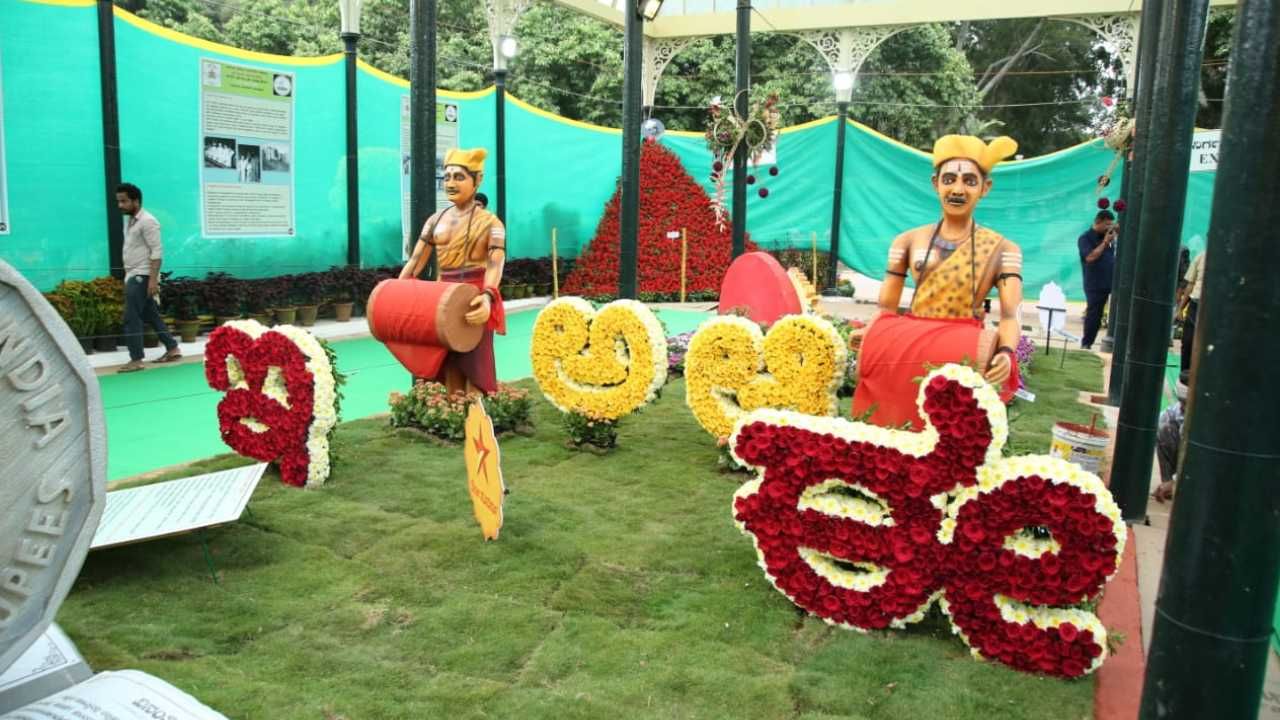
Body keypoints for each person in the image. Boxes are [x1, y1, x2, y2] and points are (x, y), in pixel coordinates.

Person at [850, 135, 1023, 428]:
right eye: (950, 179)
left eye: (969, 181)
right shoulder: (906, 241)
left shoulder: (1004, 250)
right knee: (893, 426)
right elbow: (886, 307)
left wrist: (1005, 352)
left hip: (961, 350)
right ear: (935, 183)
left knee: (950, 432)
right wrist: (872, 331)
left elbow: (1010, 315)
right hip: (907, 348)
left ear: (985, 188)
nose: (957, 189)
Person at [399, 149, 506, 393]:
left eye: (459, 177)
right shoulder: (434, 220)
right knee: (447, 362)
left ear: (477, 181)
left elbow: (495, 262)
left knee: (475, 364)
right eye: (446, 177)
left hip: (473, 297)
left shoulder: (491, 223)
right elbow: (415, 260)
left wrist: (488, 296)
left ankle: (475, 416)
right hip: (442, 297)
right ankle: (454, 413)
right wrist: (398, 290)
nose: (450, 183)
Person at [116, 183, 180, 373]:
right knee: (149, 314)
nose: (120, 205)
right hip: (134, 274)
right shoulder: (131, 221)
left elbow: (157, 252)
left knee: (131, 317)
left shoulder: (148, 221)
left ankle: (136, 359)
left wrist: (152, 280)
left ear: (136, 201)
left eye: (124, 201)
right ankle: (172, 348)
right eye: (118, 201)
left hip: (141, 275)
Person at [1077, 209, 1116, 350]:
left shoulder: (1109, 236)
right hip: (1095, 283)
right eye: (1106, 225)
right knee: (1094, 315)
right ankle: (1086, 344)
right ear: (1097, 222)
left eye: (1110, 225)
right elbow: (1089, 258)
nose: (1109, 228)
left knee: (1118, 313)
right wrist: (1105, 243)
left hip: (1112, 281)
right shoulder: (1085, 238)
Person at [1153, 380, 1188, 502]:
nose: (1182, 406)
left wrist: (1175, 481)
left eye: (1186, 403)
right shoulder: (1178, 410)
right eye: (1181, 402)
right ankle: (1168, 485)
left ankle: (1176, 486)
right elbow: (1157, 425)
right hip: (1183, 460)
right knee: (1164, 430)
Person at [1178, 250, 1205, 374]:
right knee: (1188, 340)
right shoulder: (1201, 256)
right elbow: (1190, 285)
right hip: (1195, 304)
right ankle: (1185, 375)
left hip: (1211, 307)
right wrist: (1181, 308)